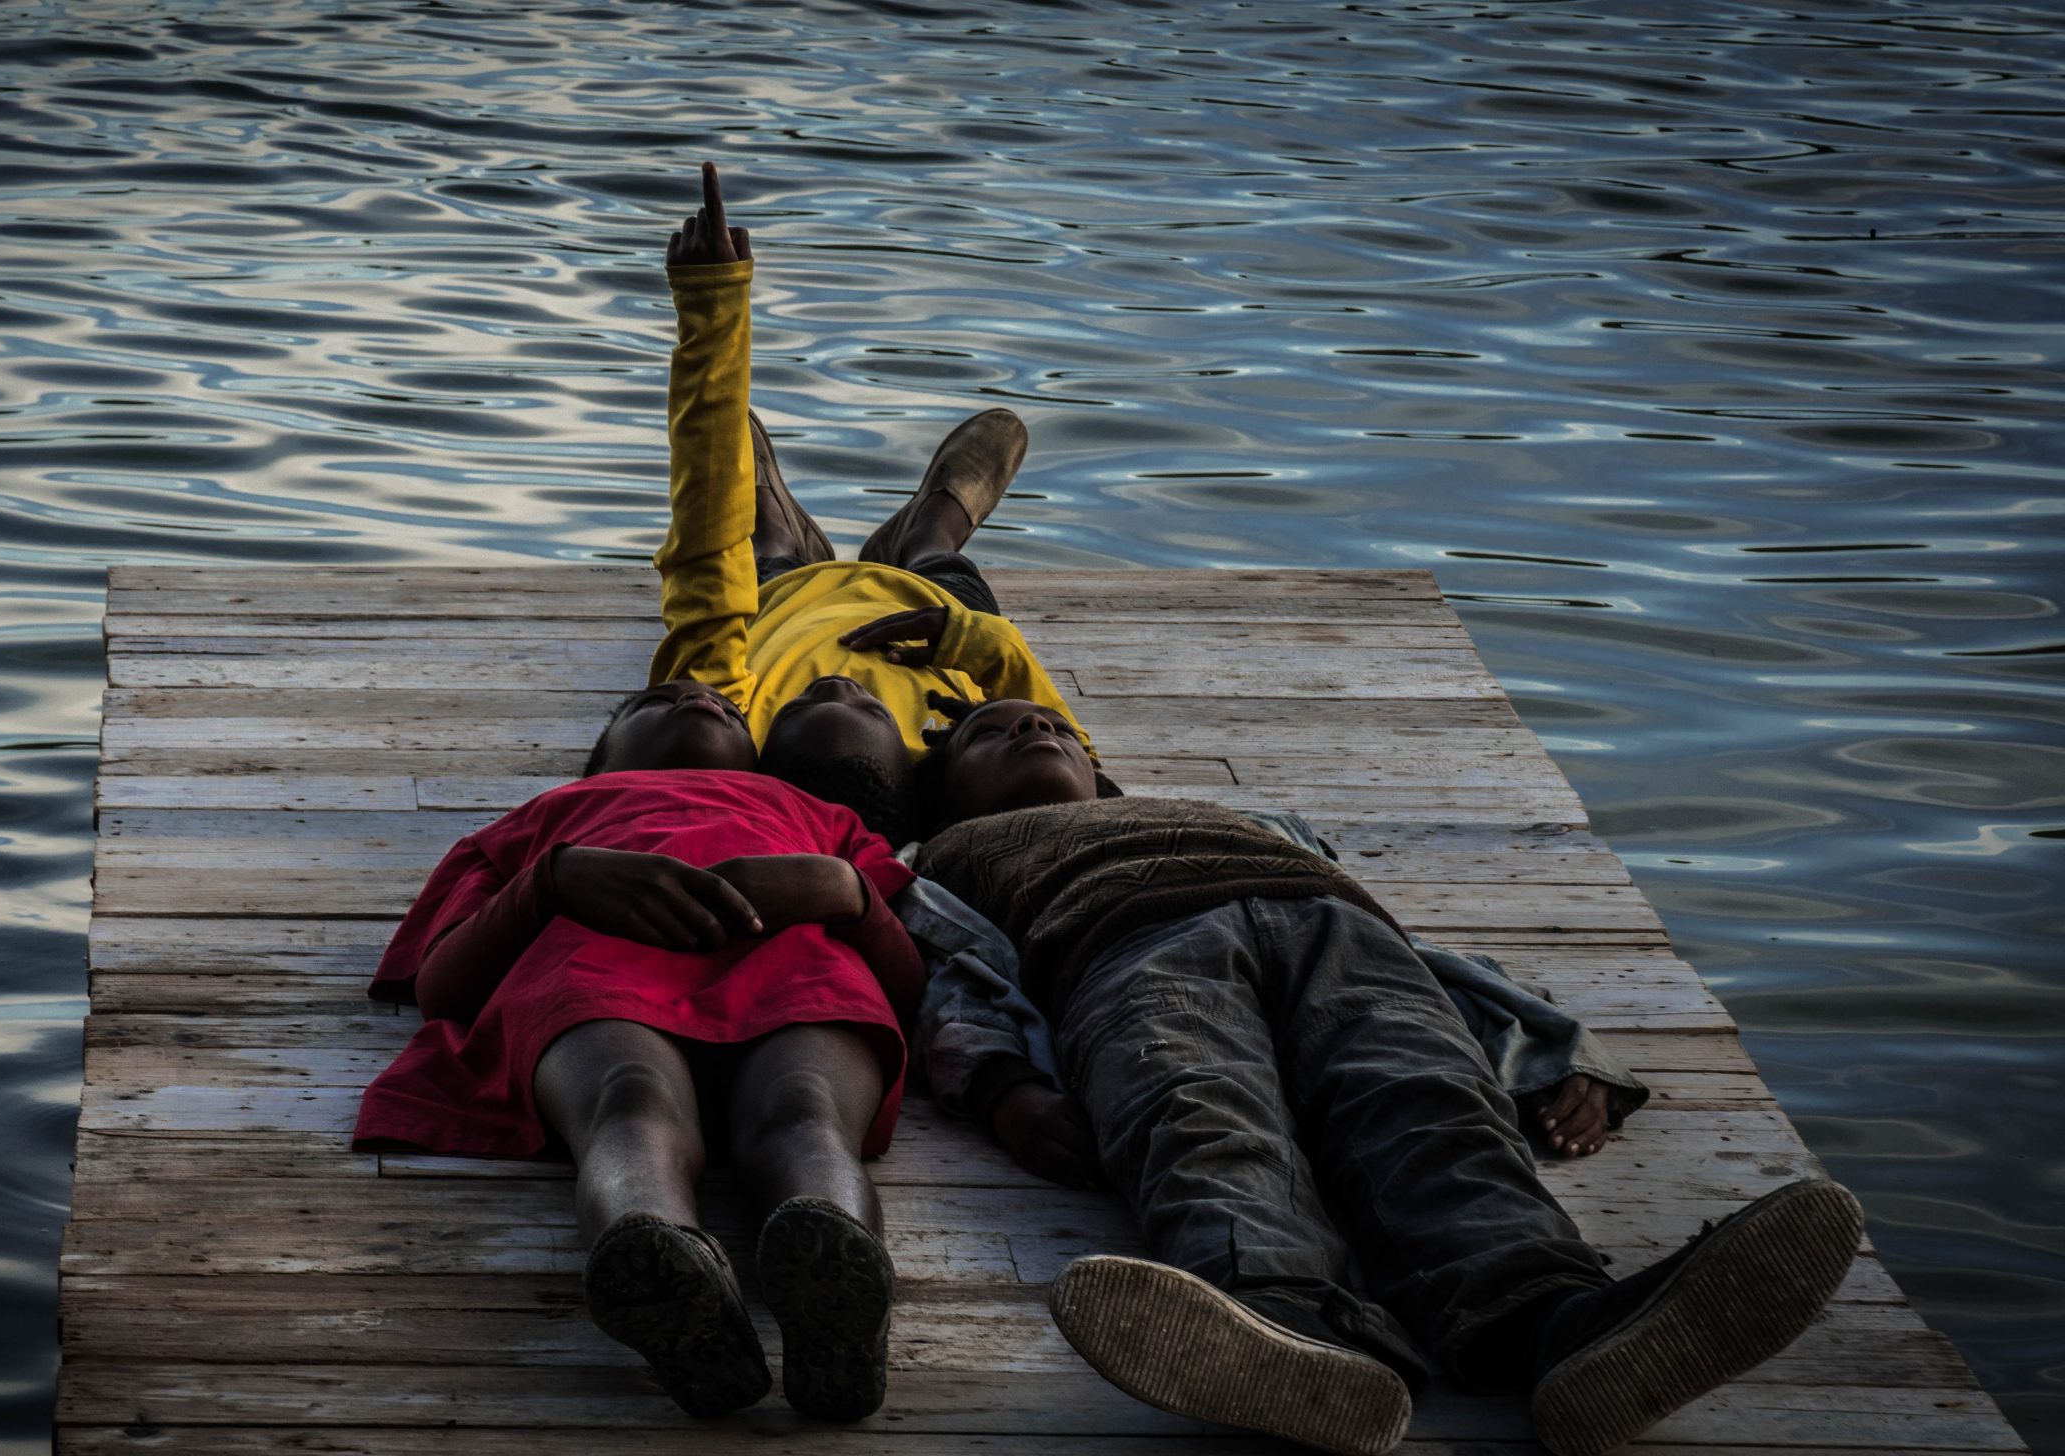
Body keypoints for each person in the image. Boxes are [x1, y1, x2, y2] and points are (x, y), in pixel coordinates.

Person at [903, 698, 1866, 1456]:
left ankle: (1553, 1322)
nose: (1031, 727)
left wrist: (1559, 1049)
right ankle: (1285, 1328)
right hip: (1131, 957)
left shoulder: (1234, 815)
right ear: (948, 791)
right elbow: (958, 965)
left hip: (1343, 938)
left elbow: (1447, 961)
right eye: (992, 734)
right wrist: (997, 1086)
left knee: (1426, 1102)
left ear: (1097, 767)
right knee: (1198, 1112)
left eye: (1051, 725)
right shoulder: (945, 853)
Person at [355, 680, 923, 1422]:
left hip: (797, 965)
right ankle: (662, 1257)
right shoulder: (540, 821)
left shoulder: (824, 818)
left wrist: (844, 888)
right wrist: (552, 879)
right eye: (660, 698)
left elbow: (909, 981)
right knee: (629, 1102)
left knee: (806, 1113)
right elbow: (442, 984)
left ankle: (837, 1272)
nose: (702, 698)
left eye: (728, 705)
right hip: (595, 964)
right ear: (602, 761)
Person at [587, 162, 1100, 841]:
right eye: (873, 710)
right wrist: (960, 637)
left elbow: (705, 556)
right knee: (946, 575)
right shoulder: (972, 759)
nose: (835, 683)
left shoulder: (728, 717)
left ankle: (773, 517)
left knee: (756, 552)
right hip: (935, 618)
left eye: (802, 702)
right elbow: (1051, 730)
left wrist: (714, 312)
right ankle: (927, 535)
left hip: (784, 600)